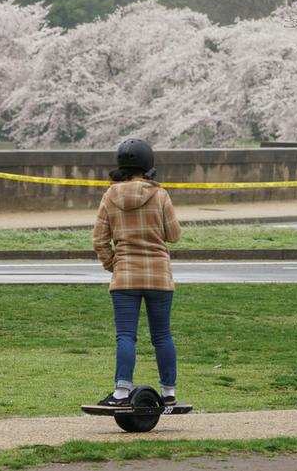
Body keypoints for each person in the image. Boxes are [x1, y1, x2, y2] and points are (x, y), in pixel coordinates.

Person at [92, 138, 182, 407]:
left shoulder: (110, 196)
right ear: (148, 164)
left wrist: (113, 264)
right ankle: (168, 394)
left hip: (125, 278)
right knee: (162, 335)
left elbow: (99, 239)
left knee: (126, 336)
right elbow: (174, 235)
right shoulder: (160, 194)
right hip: (158, 277)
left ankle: (121, 392)